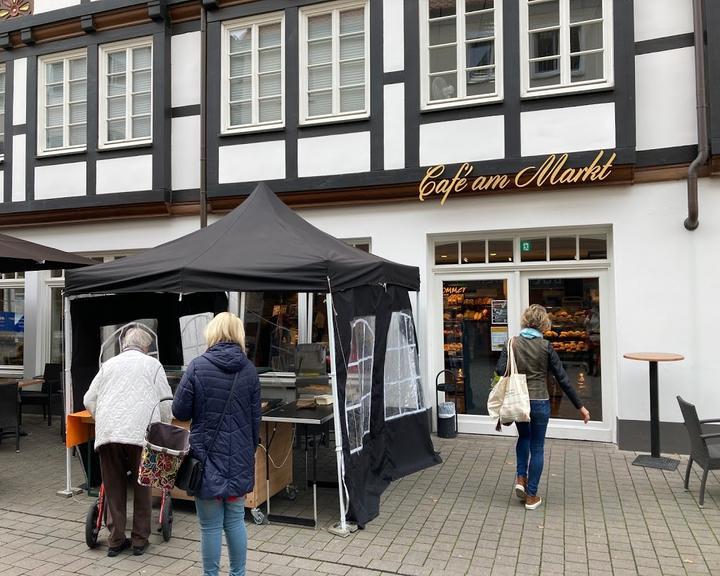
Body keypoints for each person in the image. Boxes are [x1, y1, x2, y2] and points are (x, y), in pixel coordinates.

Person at [173, 312, 261, 576]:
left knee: (209, 527)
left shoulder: (198, 366)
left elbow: (180, 411)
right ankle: (238, 574)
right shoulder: (249, 370)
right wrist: (248, 451)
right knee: (235, 520)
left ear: (212, 333)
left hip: (206, 460)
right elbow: (255, 420)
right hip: (239, 459)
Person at [84, 326, 172, 557]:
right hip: (140, 435)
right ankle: (140, 541)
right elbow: (165, 402)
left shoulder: (109, 365)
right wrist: (164, 426)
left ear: (123, 345)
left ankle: (115, 541)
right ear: (145, 347)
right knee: (143, 486)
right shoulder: (153, 365)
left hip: (109, 434)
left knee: (113, 487)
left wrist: (101, 417)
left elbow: (88, 399)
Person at [495, 304, 590, 510]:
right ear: (543, 323)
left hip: (519, 401)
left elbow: (500, 369)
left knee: (524, 438)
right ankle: (531, 497)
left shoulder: (511, 343)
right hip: (539, 402)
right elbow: (563, 379)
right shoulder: (546, 346)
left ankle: (521, 478)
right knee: (537, 447)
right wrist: (580, 406)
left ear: (525, 320)